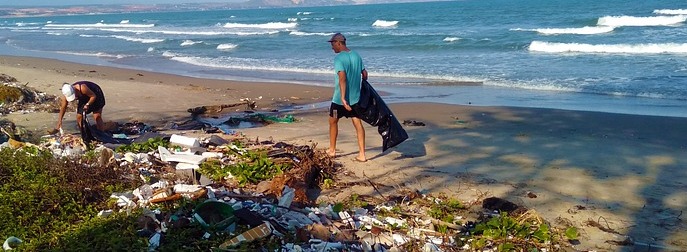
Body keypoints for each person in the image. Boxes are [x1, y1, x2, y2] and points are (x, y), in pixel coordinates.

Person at [326, 33, 368, 162]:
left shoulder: (339, 58)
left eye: (333, 44)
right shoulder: (356, 55)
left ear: (338, 43)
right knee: (357, 122)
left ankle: (332, 150)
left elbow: (342, 78)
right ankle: (362, 154)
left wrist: (343, 98)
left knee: (333, 121)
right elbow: (365, 75)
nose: (332, 47)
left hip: (339, 99)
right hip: (355, 98)